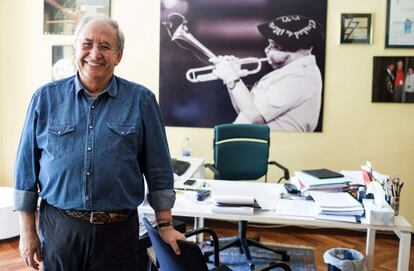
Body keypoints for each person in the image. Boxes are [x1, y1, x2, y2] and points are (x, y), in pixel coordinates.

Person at [14, 14, 185, 271]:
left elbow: (159, 169)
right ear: (74, 51)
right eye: (87, 44)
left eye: (105, 46)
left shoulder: (142, 102)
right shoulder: (44, 100)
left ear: (118, 56)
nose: (95, 53)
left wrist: (166, 225)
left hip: (118, 233)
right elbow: (26, 171)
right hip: (61, 228)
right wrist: (27, 233)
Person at [213, 15, 323, 132]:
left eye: (274, 45)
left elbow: (255, 118)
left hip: (274, 147)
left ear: (296, 49)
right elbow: (245, 112)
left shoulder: (300, 77)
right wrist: (232, 79)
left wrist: (231, 78)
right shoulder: (289, 72)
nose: (267, 50)